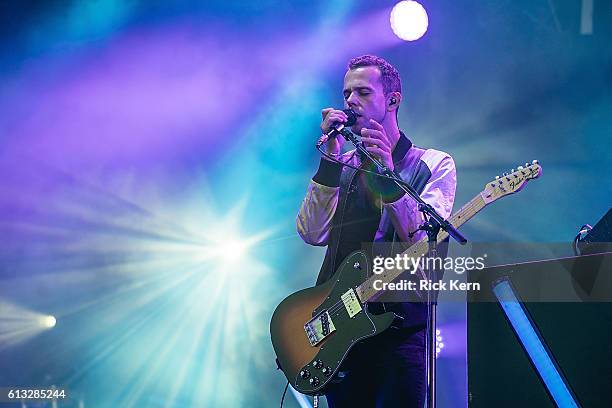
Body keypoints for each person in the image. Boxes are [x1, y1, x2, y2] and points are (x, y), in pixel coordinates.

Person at [296, 55, 457, 407]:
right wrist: (329, 162)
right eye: (346, 94)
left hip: (397, 332)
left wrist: (388, 174)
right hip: (343, 329)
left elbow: (421, 242)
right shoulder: (345, 164)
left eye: (363, 92)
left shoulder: (433, 164)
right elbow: (311, 233)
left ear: (393, 100)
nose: (350, 101)